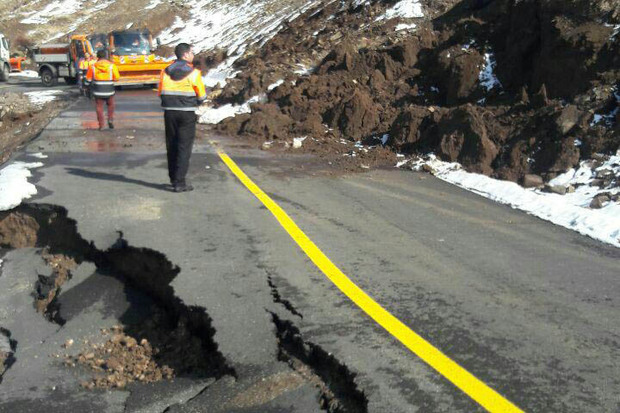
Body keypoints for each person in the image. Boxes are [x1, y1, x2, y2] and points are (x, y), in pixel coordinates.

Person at [158, 42, 207, 193]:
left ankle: (173, 178)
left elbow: (160, 92)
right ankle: (180, 182)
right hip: (186, 113)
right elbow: (202, 95)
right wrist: (197, 102)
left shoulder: (164, 71)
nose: (193, 55)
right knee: (184, 146)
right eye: (192, 53)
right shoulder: (194, 73)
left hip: (170, 112)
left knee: (171, 144)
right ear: (185, 54)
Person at [85, 50, 120, 130]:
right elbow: (117, 78)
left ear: (98, 57)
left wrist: (86, 87)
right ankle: (110, 119)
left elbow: (88, 80)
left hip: (98, 89)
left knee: (99, 106)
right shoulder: (112, 66)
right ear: (106, 56)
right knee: (111, 104)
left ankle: (101, 125)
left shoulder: (93, 66)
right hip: (109, 89)